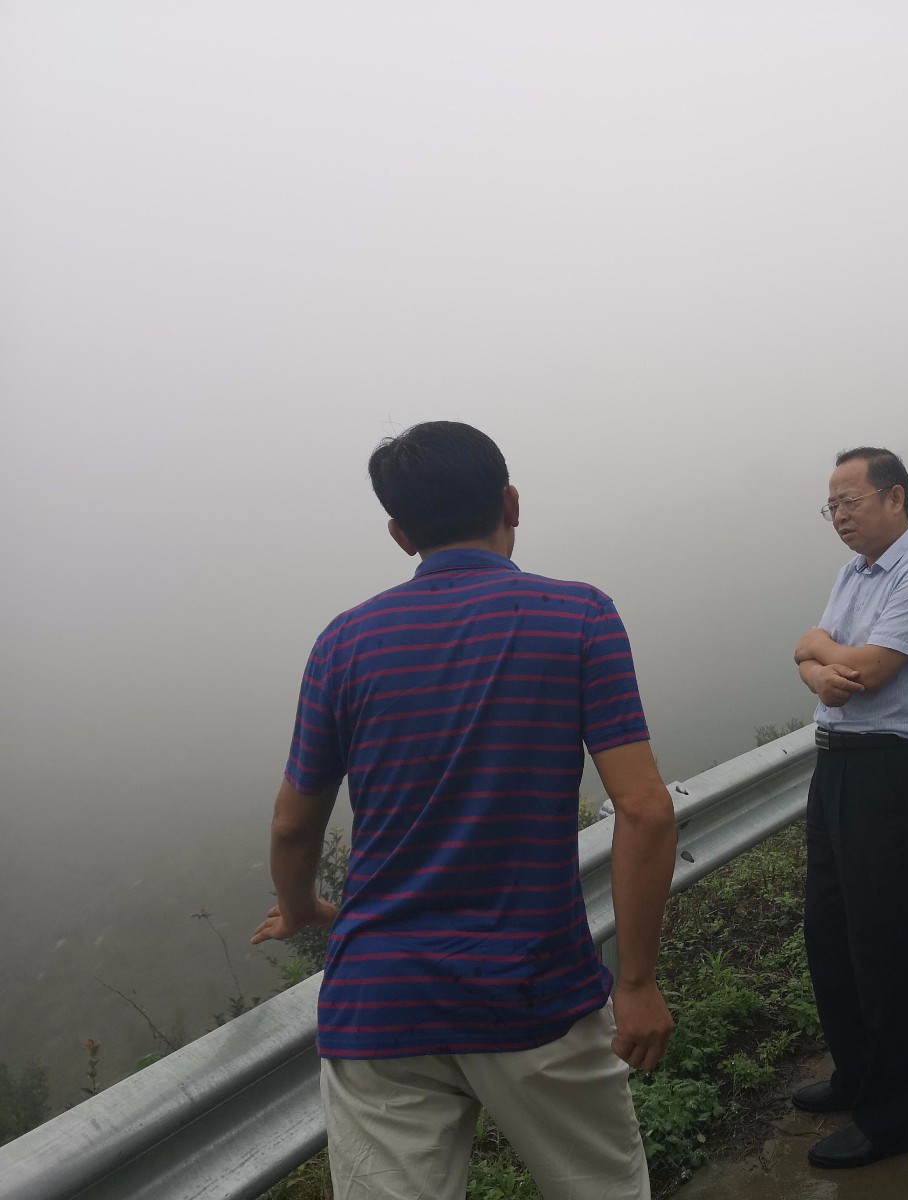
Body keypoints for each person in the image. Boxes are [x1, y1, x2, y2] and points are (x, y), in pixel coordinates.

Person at [251, 421, 677, 1200]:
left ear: (400, 534)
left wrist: (301, 907)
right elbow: (645, 810)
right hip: (535, 993)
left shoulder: (342, 644)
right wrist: (638, 982)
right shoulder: (578, 617)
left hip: (380, 1005)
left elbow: (291, 824)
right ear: (510, 502)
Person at [789, 446, 908, 1170]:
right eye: (831, 506)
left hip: (893, 770)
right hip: (837, 764)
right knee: (829, 931)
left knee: (883, 943)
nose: (838, 516)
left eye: (850, 501)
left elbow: (866, 670)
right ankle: (856, 1074)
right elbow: (809, 656)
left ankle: (891, 1117)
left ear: (895, 498)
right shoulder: (853, 573)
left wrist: (819, 653)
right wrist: (816, 661)